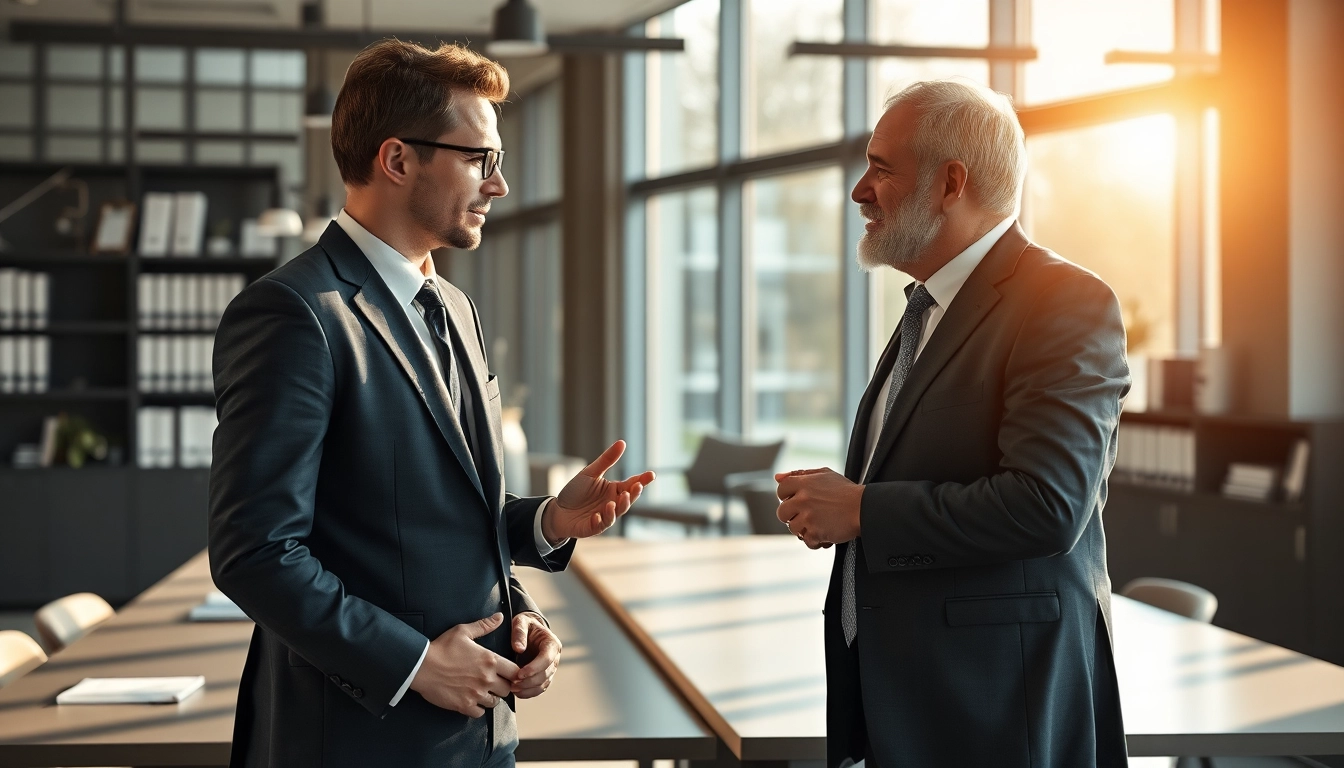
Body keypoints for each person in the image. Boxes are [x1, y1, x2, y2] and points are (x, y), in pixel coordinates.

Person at [208, 39, 655, 768]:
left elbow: (429, 518)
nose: (499, 184)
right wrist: (415, 662)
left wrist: (539, 549)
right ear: (397, 160)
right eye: (481, 159)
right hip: (357, 740)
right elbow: (255, 552)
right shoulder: (293, 314)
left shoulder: (454, 306)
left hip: (478, 731)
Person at [774, 80, 1131, 768]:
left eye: (881, 167)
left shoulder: (1064, 303)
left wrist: (864, 512)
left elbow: (1048, 507)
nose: (859, 191)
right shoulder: (926, 310)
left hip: (998, 709)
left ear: (950, 183)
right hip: (911, 700)